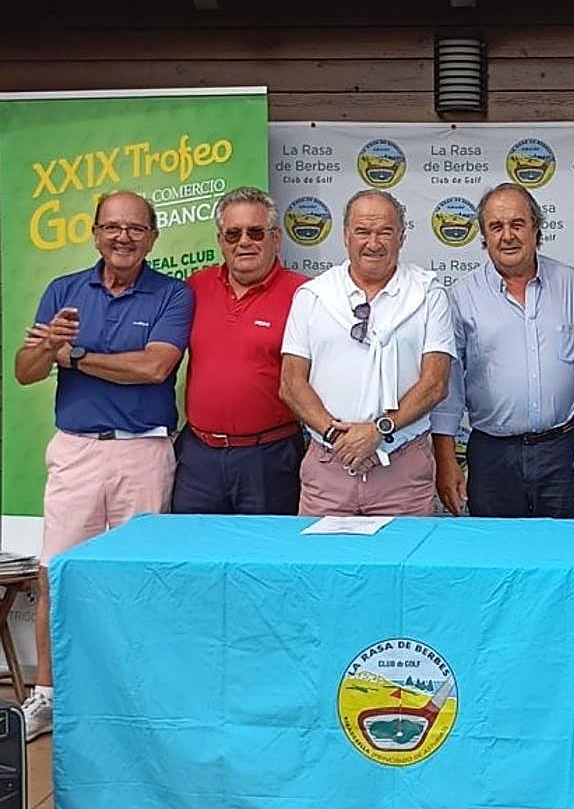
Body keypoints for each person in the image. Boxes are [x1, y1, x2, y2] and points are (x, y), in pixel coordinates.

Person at [13, 190, 193, 741]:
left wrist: (77, 356)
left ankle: (133, 699)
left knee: (137, 577)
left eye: (136, 228)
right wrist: (50, 349)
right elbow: (25, 370)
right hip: (77, 450)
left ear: (153, 237)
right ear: (94, 233)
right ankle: (47, 695)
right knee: (56, 574)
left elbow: (154, 368)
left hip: (144, 451)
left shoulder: (173, 294)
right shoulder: (64, 292)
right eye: (112, 227)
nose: (123, 237)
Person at [279, 190, 453, 516]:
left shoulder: (429, 293)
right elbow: (291, 383)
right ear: (346, 236)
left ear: (401, 237)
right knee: (323, 565)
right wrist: (337, 437)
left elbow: (435, 383)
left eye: (385, 232)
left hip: (402, 468)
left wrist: (378, 431)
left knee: (403, 564)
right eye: (363, 231)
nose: (373, 242)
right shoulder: (313, 296)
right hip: (329, 465)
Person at [430, 183, 574, 517]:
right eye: (496, 227)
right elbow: (449, 390)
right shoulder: (461, 296)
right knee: (497, 559)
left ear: (536, 229)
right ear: (484, 236)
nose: (508, 236)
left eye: (517, 224)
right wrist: (445, 462)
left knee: (567, 557)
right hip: (493, 457)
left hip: (564, 452)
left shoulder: (573, 284)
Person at [172, 187, 307, 514]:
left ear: (276, 238)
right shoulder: (195, 287)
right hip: (198, 457)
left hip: (270, 458)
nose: (244, 241)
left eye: (255, 232)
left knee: (265, 559)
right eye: (233, 233)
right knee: (191, 557)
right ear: (221, 241)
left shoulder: (305, 293)